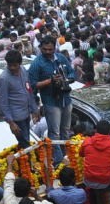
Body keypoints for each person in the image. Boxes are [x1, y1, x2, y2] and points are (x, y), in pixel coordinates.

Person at [28, 35, 75, 163]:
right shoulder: (37, 63)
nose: (48, 52)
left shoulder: (61, 58)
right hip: (51, 102)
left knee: (65, 131)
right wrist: (50, 81)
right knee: (55, 133)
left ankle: (68, 158)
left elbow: (72, 73)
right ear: (40, 48)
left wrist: (66, 79)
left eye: (50, 49)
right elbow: (32, 85)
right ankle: (59, 161)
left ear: (55, 47)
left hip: (66, 99)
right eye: (45, 49)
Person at [0, 49, 39, 146]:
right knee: (25, 144)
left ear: (20, 63)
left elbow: (29, 90)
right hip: (16, 117)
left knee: (27, 140)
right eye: (10, 65)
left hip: (26, 113)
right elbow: (3, 103)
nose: (12, 68)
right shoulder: (4, 78)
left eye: (15, 65)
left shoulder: (23, 70)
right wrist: (11, 123)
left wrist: (35, 109)